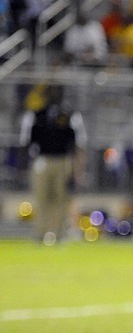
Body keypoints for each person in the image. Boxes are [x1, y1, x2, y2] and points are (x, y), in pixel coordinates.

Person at [18, 84, 86, 245]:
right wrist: (22, 166)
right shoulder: (35, 115)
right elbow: (25, 142)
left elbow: (78, 146)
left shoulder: (70, 116)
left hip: (63, 160)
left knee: (61, 198)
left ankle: (59, 233)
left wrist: (78, 170)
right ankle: (41, 233)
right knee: (41, 197)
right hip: (42, 160)